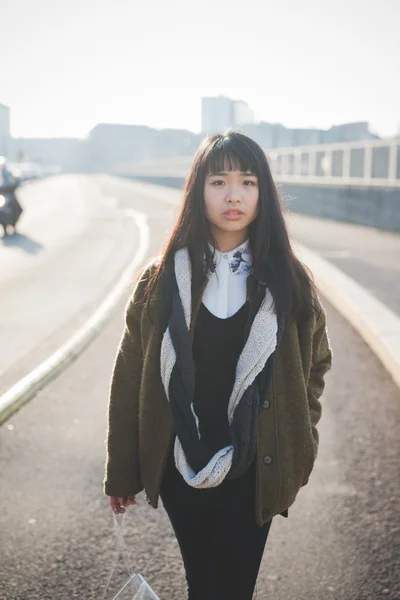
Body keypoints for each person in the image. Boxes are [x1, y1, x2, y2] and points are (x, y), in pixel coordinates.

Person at [104, 131, 332, 599]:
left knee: (234, 587)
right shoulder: (162, 277)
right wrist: (123, 470)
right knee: (204, 583)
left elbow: (316, 365)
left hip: (256, 467)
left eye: (248, 182)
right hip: (180, 463)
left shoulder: (288, 279)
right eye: (219, 182)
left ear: (262, 193)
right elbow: (130, 374)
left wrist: (300, 437)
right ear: (197, 191)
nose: (234, 195)